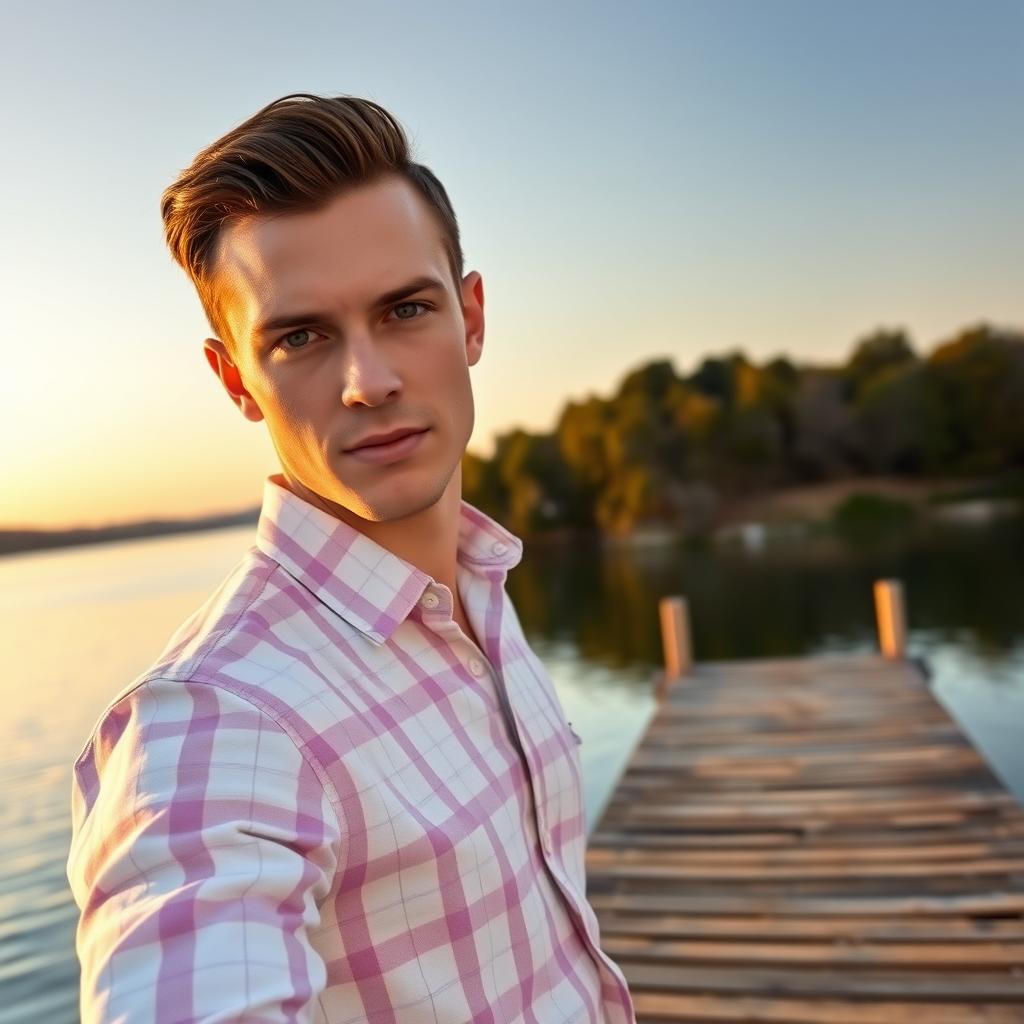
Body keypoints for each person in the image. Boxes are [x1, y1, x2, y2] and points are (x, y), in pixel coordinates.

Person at [66, 92, 637, 1024]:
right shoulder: (217, 722)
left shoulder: (477, 586)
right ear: (234, 380)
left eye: (405, 309)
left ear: (473, 317)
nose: (369, 382)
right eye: (299, 337)